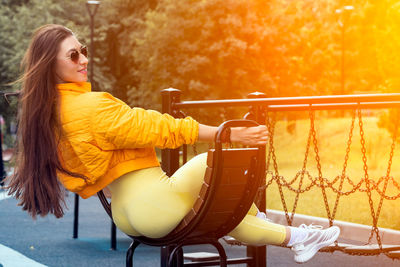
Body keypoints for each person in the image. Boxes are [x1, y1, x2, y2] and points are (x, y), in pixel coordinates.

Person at [7, 24, 340, 264]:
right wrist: (226, 133)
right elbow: (157, 126)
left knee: (225, 208)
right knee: (220, 161)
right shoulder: (92, 107)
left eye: (84, 50)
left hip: (126, 215)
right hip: (155, 205)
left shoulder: (49, 116)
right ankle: (284, 232)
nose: (83, 59)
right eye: (73, 54)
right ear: (52, 64)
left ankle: (293, 236)